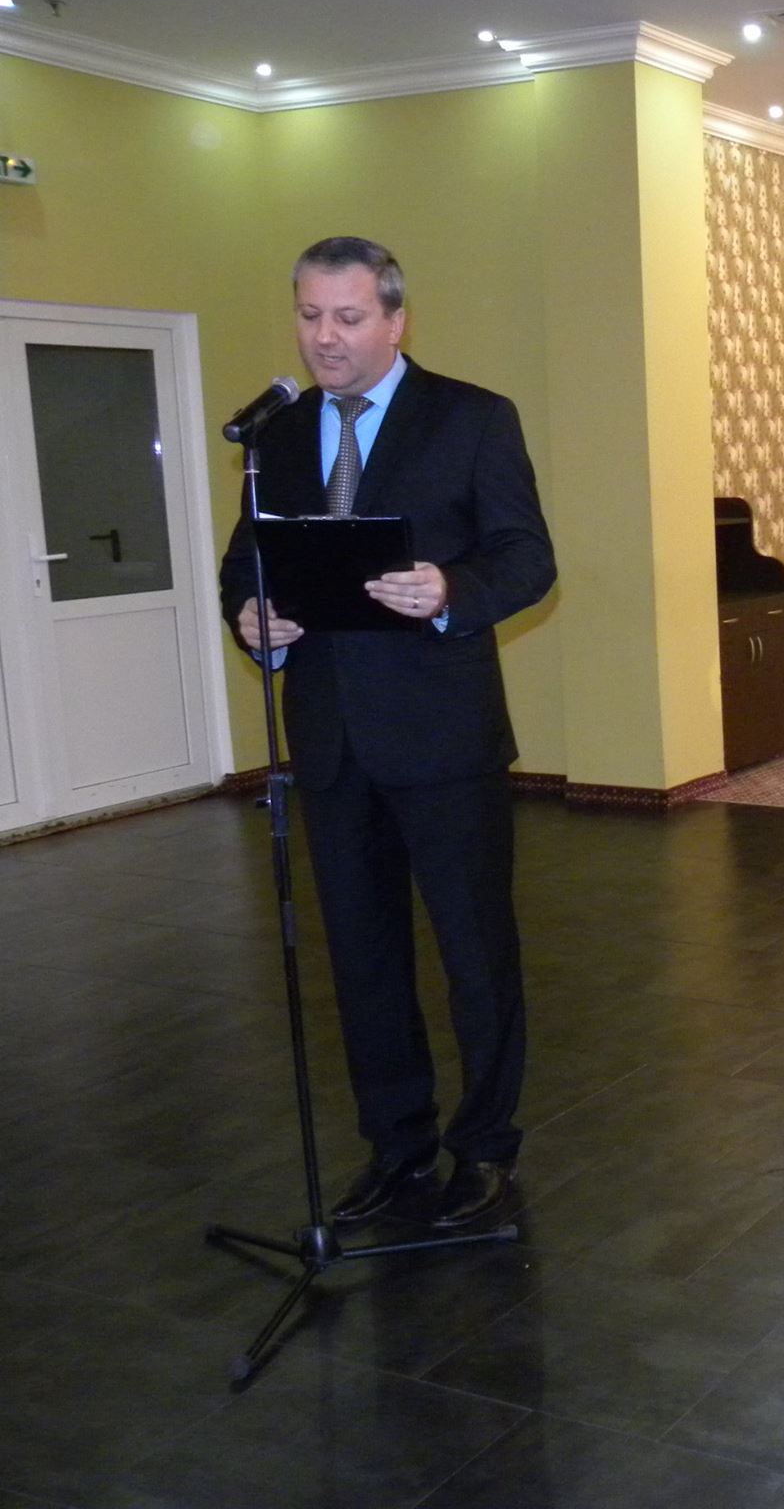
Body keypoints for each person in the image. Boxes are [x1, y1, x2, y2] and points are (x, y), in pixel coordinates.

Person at [219, 236, 555, 1228]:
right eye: (309, 316)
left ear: (395, 321)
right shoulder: (278, 438)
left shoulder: (472, 418)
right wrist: (251, 618)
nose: (324, 337)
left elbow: (527, 558)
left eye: (348, 317)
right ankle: (397, 1148)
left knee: (474, 956)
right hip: (330, 741)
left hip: (445, 740)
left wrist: (453, 589)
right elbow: (245, 565)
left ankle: (484, 1148)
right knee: (363, 963)